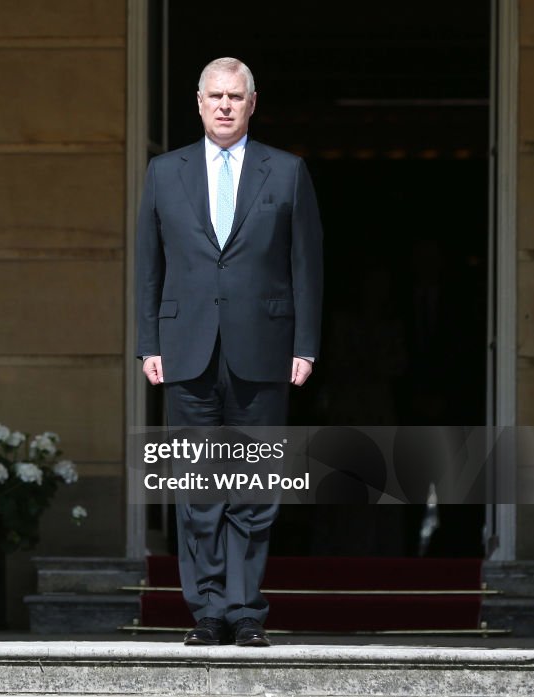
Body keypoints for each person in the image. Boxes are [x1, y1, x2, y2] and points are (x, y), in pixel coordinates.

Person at [135, 57, 323, 647]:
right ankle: (207, 610)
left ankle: (244, 610)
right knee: (197, 489)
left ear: (251, 103)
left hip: (263, 351)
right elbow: (149, 266)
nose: (223, 105)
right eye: (214, 95)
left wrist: (306, 346)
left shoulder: (287, 172)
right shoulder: (164, 172)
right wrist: (148, 342)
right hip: (185, 349)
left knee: (256, 486)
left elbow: (306, 267)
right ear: (198, 102)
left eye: (234, 97)